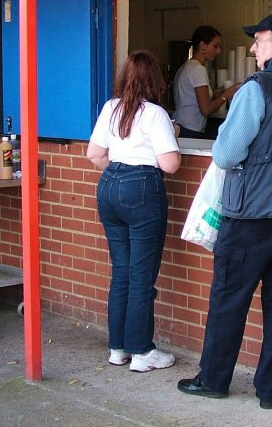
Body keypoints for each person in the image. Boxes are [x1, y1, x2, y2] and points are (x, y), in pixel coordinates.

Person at [177, 14, 272, 409]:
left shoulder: (256, 88)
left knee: (229, 299)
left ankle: (213, 379)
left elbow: (226, 154)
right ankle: (268, 391)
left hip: (250, 217)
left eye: (258, 40)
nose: (252, 48)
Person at [87, 50, 181, 372]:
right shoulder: (155, 114)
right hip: (141, 190)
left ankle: (118, 349)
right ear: (156, 80)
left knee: (121, 273)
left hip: (109, 187)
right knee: (142, 276)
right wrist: (172, 135)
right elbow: (170, 165)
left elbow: (94, 154)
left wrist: (119, 165)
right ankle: (142, 352)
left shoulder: (111, 107)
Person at [172, 25, 240, 139]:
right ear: (203, 46)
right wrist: (226, 95)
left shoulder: (186, 67)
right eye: (215, 46)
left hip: (181, 126)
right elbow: (206, 110)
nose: (219, 51)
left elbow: (191, 100)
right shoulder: (198, 70)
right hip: (190, 130)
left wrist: (216, 94)